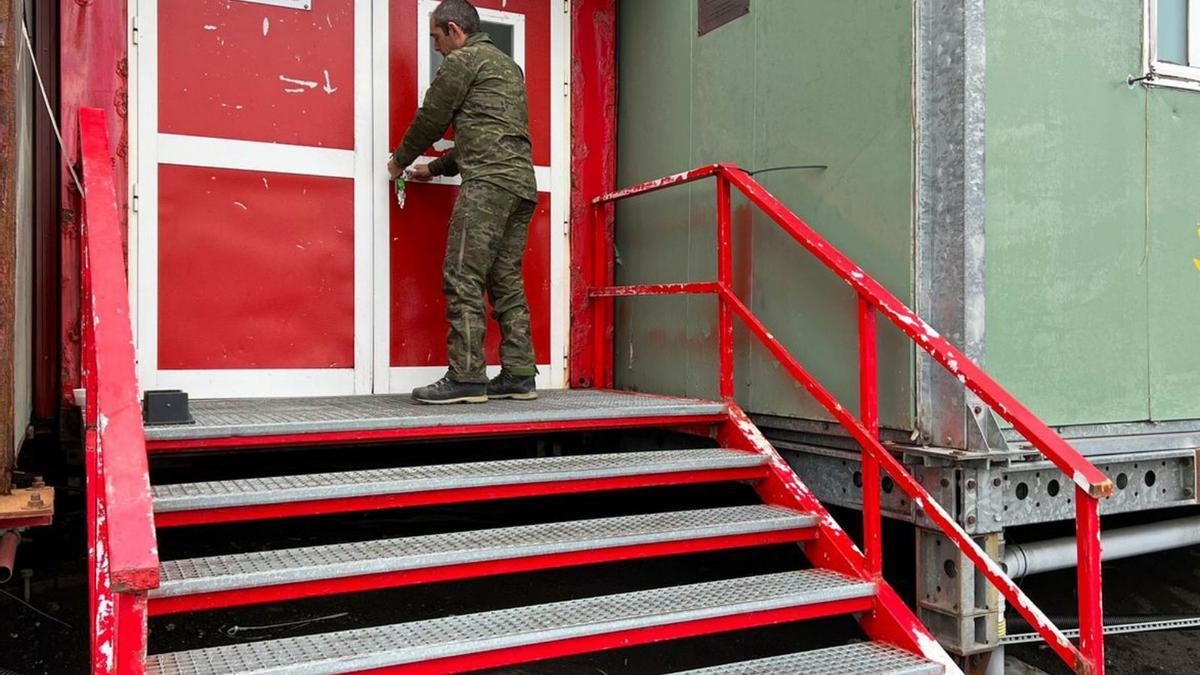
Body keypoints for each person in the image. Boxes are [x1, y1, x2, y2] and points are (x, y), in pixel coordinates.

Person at [388, 0, 539, 404]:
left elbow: (431, 120)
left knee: (462, 275)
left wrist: (399, 161)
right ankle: (519, 373)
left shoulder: (461, 63)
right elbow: (486, 134)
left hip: (488, 185)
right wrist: (433, 170)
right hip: (521, 185)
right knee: (506, 279)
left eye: (436, 37)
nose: (436, 48)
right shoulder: (507, 67)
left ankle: (467, 376)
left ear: (454, 30)